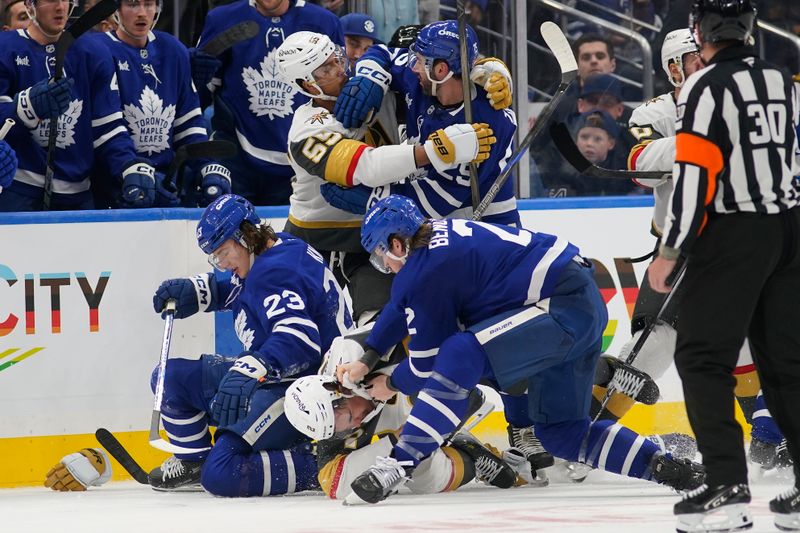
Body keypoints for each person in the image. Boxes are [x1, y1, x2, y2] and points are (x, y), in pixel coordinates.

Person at [335, 195, 704, 504]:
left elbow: (424, 366)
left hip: (558, 308)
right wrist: (368, 358)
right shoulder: (432, 246)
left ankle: (399, 464)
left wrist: (391, 383)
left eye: (381, 252)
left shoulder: (423, 270)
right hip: (573, 308)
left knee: (461, 354)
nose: (383, 263)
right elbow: (402, 307)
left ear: (397, 244)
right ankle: (664, 466)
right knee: (561, 433)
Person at [645, 1, 800, 531]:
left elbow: (695, 176)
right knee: (784, 362)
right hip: (789, 228)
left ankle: (727, 487)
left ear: (699, 34)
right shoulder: (782, 79)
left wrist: (671, 251)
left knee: (701, 357)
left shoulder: (704, 88)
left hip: (735, 234)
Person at [276, 30, 496, 324]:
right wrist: (433, 152)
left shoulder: (374, 88)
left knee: (386, 315)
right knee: (299, 320)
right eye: (327, 69)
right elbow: (365, 166)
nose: (341, 70)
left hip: (374, 226)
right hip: (318, 232)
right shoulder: (306, 132)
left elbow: (436, 66)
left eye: (338, 59)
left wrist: (489, 70)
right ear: (307, 85)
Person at [146, 194, 353, 494]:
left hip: (304, 390)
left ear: (245, 235)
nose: (221, 263)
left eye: (223, 252)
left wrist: (252, 367)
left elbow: (299, 340)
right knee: (170, 379)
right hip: (275, 376)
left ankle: (319, 463)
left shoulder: (276, 272)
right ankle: (195, 462)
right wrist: (199, 291)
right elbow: (242, 289)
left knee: (222, 474)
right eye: (215, 256)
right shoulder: (274, 250)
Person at [283, 324, 524, 500]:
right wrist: (400, 439)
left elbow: (418, 329)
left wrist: (399, 382)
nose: (353, 426)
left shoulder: (352, 353)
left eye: (346, 419)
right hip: (396, 410)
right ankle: (467, 453)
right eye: (340, 431)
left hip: (421, 381)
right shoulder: (329, 419)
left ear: (340, 395)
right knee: (424, 477)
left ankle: (448, 417)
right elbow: (332, 481)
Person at [324, 20, 520, 226]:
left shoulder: (484, 125)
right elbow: (384, 53)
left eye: (418, 60)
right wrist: (370, 77)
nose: (413, 67)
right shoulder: (424, 79)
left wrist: (375, 197)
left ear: (441, 69)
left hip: (487, 229)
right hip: (439, 223)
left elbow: (437, 201)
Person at [0, 0, 155, 211]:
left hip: (78, 197)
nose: (61, 7)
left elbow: (107, 128)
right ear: (29, 4)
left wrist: (128, 166)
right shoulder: (5, 47)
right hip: (18, 192)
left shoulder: (93, 52)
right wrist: (25, 106)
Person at [192, 0, 343, 206]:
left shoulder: (323, 23)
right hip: (236, 162)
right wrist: (192, 74)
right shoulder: (222, 20)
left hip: (303, 162)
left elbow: (337, 93)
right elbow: (196, 100)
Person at [88, 0, 231, 208]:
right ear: (117, 9)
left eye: (149, 5)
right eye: (133, 5)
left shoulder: (173, 50)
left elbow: (188, 124)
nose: (142, 13)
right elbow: (106, 127)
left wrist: (206, 164)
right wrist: (129, 167)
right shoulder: (99, 50)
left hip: (167, 181)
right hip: (116, 187)